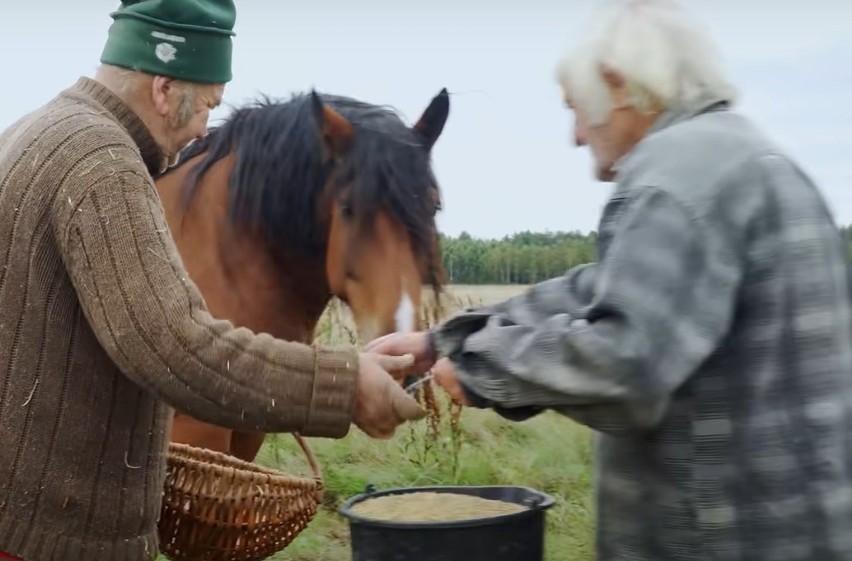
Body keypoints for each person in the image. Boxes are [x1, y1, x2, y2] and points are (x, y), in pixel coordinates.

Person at [367, 1, 852, 559]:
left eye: (576, 108)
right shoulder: (745, 157)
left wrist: (480, 367)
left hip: (722, 534)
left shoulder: (673, 178)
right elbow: (603, 288)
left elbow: (627, 360)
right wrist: (443, 341)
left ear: (618, 85)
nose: (576, 135)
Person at [0, 1, 424, 559]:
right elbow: (172, 344)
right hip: (49, 542)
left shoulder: (32, 131)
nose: (206, 129)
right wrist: (345, 387)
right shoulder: (103, 161)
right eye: (206, 104)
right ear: (163, 89)